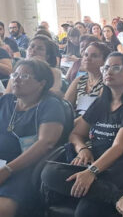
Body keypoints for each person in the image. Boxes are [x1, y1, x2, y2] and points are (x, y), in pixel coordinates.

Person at [41, 52, 123, 217]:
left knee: (84, 212)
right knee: (49, 172)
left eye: (116, 68)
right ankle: (118, 196)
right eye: (106, 67)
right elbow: (76, 133)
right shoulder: (101, 103)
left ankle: (109, 194)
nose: (109, 72)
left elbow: (119, 147)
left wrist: (91, 172)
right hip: (96, 162)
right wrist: (82, 149)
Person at [0, 59, 65, 217]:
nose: (15, 79)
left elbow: (45, 143)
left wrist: (7, 170)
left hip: (23, 170)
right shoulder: (6, 101)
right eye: (15, 74)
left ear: (41, 83)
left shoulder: (50, 105)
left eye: (24, 76)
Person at [64, 42, 111, 117]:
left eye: (94, 56)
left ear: (105, 61)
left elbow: (98, 113)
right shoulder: (79, 80)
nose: (87, 58)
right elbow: (65, 106)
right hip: (75, 121)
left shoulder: (107, 82)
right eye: (86, 55)